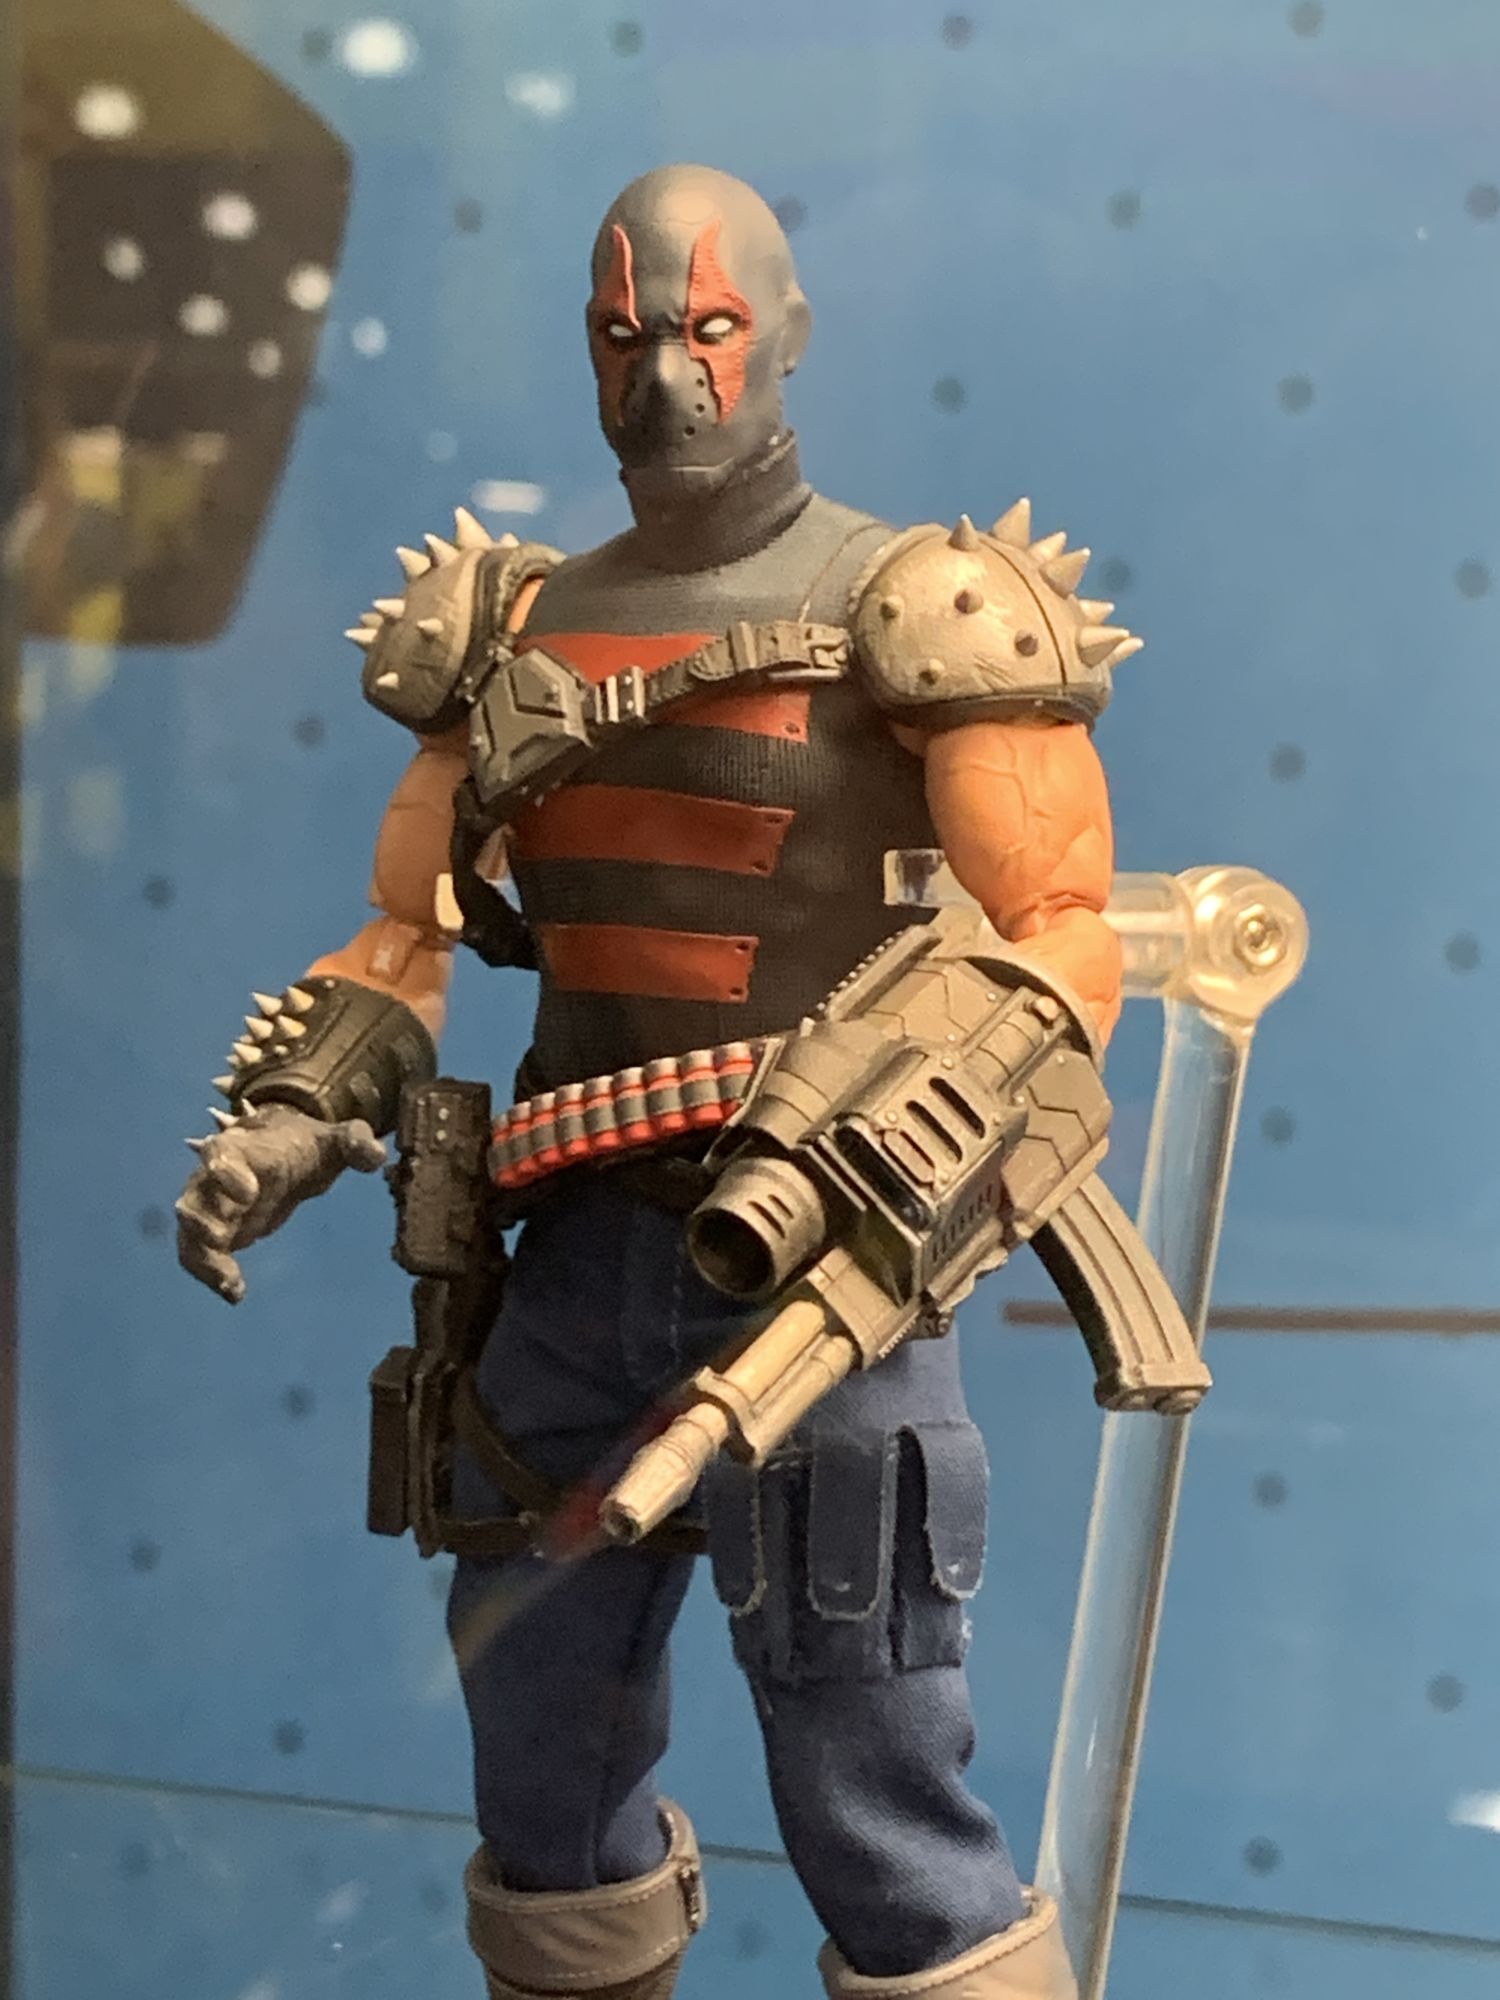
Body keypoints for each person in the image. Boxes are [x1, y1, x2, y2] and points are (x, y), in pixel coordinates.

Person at [178, 164, 1140, 2000]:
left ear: (785, 336)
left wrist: (921, 1128)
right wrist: (290, 1124)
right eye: (628, 336)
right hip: (563, 1271)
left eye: (707, 330)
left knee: (870, 1770)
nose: (668, 377)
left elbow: (1060, 932)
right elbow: (403, 938)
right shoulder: (507, 625)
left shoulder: (921, 606)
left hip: (822, 1263)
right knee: (541, 1753)